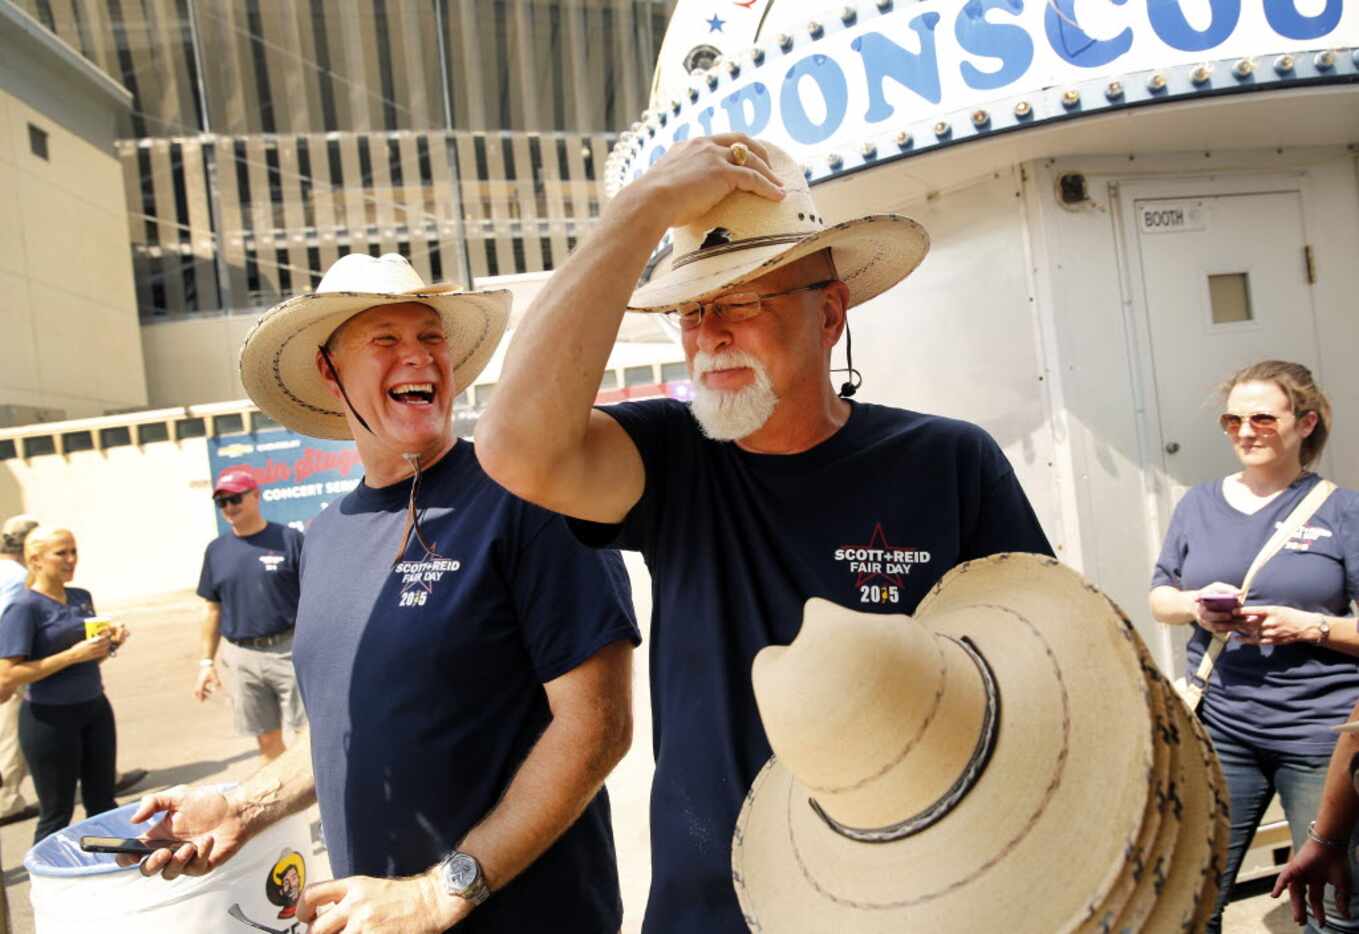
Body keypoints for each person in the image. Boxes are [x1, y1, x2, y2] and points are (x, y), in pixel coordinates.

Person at [474, 136, 1054, 932]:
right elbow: (512, 449)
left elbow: (1034, 673)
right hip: (712, 913)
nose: (709, 333)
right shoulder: (672, 458)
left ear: (830, 312)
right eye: (691, 309)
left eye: (741, 300)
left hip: (913, 906)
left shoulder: (947, 462)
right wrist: (639, 211)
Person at [124, 252, 640, 934]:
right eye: (385, 341)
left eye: (431, 338)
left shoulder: (528, 499)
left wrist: (441, 891)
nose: (419, 357)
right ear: (328, 373)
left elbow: (596, 728)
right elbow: (344, 727)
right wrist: (241, 808)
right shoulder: (326, 535)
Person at [1149, 360, 1359, 933]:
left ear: (1306, 423)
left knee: (1334, 912)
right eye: (1233, 420)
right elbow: (1160, 595)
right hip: (1224, 729)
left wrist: (1308, 626)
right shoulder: (1198, 503)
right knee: (1190, 903)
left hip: (1320, 736)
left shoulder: (1344, 511)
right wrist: (1197, 607)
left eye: (1263, 418)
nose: (1245, 432)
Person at [0, 527, 130, 843]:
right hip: (49, 718)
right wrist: (71, 656)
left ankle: (108, 876)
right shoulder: (24, 607)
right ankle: (45, 888)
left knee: (103, 803)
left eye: (74, 551)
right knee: (57, 813)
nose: (71, 560)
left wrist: (108, 645)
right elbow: (7, 675)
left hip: (94, 708)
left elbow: (89, 659)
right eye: (61, 553)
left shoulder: (81, 597)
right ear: (35, 559)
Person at [195, 467, 306, 761]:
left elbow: (316, 596)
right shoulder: (216, 551)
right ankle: (281, 804)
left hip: (290, 651)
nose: (229, 507)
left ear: (256, 495)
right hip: (243, 659)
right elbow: (212, 608)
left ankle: (323, 806)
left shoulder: (290, 540)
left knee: (308, 734)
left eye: (235, 498)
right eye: (222, 502)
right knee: (267, 741)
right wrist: (206, 662)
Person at [0, 515, 39, 826]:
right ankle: (7, 801)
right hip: (10, 660)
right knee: (11, 730)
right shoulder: (17, 577)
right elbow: (13, 623)